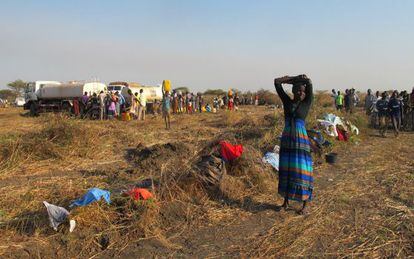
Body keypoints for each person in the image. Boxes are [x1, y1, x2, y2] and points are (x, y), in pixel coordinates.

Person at [274, 74, 313, 215]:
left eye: (303, 91)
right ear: (293, 90)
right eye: (298, 90)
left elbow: (309, 84)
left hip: (301, 141)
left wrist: (303, 80)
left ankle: (305, 204)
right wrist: (293, 78)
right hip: (287, 139)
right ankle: (285, 202)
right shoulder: (287, 102)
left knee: (303, 170)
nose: (301, 93)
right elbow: (277, 83)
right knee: (287, 169)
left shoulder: (306, 103)